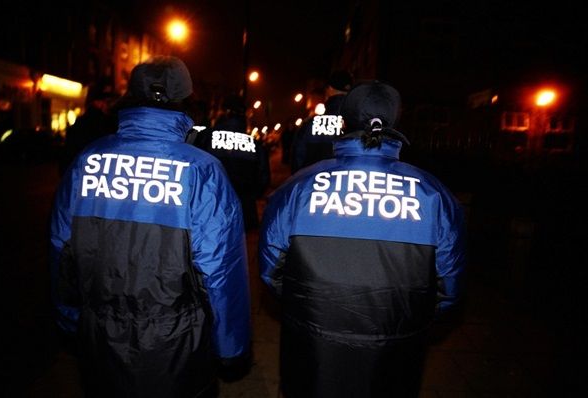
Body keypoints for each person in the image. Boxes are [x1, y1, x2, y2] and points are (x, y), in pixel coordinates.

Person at [49, 55, 252, 398]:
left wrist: (71, 319)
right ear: (186, 101)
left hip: (100, 339)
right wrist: (230, 345)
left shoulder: (88, 160)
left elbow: (60, 248)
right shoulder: (201, 170)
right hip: (177, 344)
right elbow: (220, 267)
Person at [259, 80, 466, 398]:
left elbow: (272, 271)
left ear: (344, 121)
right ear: (395, 123)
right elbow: (448, 289)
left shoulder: (298, 187)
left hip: (314, 343)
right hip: (394, 348)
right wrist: (409, 320)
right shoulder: (434, 195)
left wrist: (303, 308)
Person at [194, 93, 270, 230]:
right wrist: (250, 196)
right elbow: (264, 177)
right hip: (243, 211)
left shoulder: (206, 138)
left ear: (223, 112)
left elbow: (194, 169)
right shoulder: (254, 144)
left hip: (210, 208)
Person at [290, 69, 352, 173]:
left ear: (330, 89)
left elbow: (297, 161)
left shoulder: (310, 125)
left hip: (314, 185)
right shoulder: (359, 123)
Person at [58, 82, 117, 175]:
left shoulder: (78, 125)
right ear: (97, 103)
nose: (108, 105)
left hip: (79, 177)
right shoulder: (106, 125)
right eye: (106, 101)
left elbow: (66, 161)